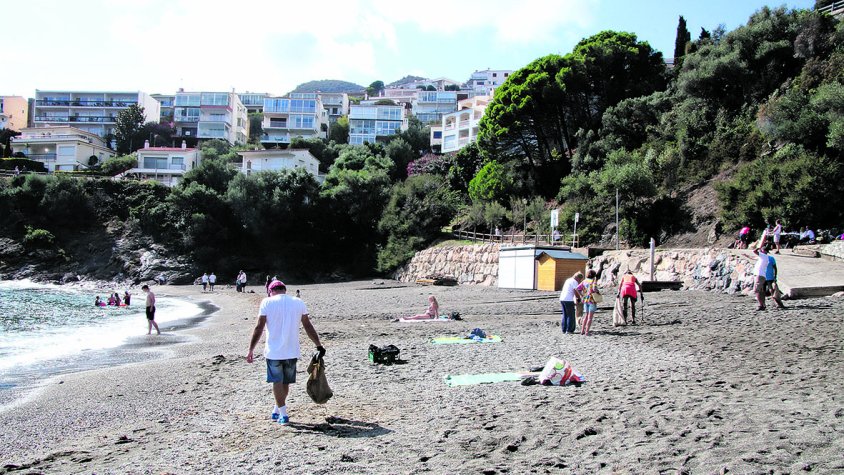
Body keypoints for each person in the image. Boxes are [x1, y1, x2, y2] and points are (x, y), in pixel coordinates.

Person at [246, 280, 324, 425]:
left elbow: (259, 327)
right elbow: (308, 325)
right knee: (286, 382)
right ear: (285, 290)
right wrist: (318, 344)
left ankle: (283, 414)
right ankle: (278, 409)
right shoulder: (298, 302)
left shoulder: (267, 302)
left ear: (271, 291)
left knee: (277, 381)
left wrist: (251, 349)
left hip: (273, 351)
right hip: (291, 350)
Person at [577, 269, 600, 336]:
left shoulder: (584, 281)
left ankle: (582, 331)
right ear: (594, 275)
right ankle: (587, 332)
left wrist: (582, 295)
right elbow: (594, 289)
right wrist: (598, 292)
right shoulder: (593, 281)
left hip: (585, 300)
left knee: (586, 316)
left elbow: (578, 288)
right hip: (592, 300)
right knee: (590, 317)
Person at [752, 245, 770, 311]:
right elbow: (753, 257)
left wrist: (758, 247)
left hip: (759, 275)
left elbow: (754, 251)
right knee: (761, 291)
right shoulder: (764, 257)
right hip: (761, 275)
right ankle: (763, 304)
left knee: (757, 290)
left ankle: (760, 305)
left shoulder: (763, 256)